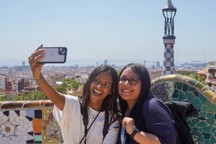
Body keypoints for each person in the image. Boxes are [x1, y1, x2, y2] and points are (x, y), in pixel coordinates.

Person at [28, 46, 120, 144]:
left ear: (111, 90)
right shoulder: (74, 105)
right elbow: (54, 95)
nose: (99, 86)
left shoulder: (111, 119)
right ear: (90, 82)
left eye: (106, 85)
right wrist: (37, 76)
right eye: (96, 80)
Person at [117, 63, 178, 144]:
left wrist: (133, 132)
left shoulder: (151, 106)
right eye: (123, 79)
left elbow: (167, 142)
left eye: (133, 80)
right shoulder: (124, 109)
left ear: (144, 84)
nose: (126, 84)